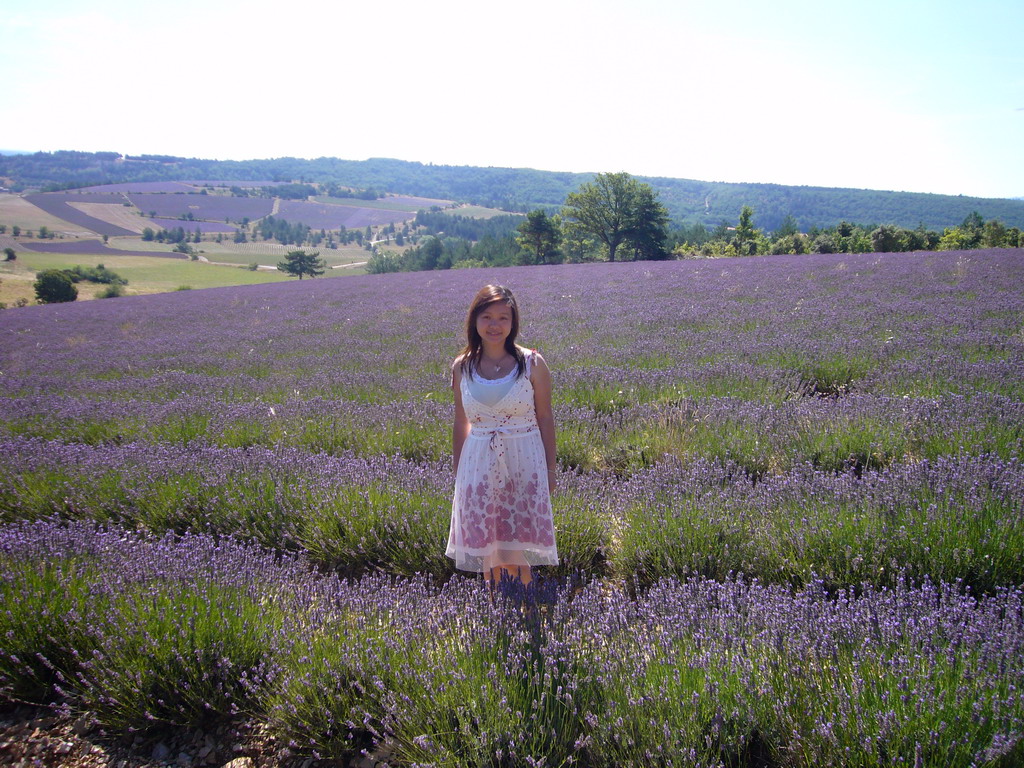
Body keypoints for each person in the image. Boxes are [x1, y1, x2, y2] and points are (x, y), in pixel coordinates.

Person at [446, 285, 558, 587]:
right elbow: (461, 422)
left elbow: (545, 418)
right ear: (475, 321)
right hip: (479, 461)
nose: (495, 325)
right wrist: (459, 473)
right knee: (488, 549)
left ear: (513, 323)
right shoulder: (462, 367)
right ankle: (498, 617)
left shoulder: (533, 363)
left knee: (515, 547)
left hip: (524, 459)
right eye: (487, 317)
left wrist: (550, 469)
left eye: (503, 318)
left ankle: (527, 613)